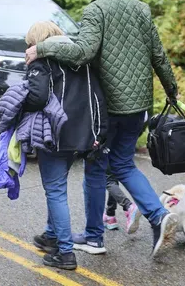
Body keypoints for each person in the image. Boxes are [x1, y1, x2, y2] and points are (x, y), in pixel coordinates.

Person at [26, 0, 179, 257]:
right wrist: (171, 90)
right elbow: (158, 55)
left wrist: (42, 48)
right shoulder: (140, 8)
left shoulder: (95, 10)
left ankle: (95, 236)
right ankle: (158, 217)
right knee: (122, 164)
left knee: (96, 171)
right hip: (140, 107)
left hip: (108, 108)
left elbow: (83, 52)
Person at [23, 21, 108, 270]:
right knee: (58, 185)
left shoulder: (42, 61)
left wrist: (20, 101)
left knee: (56, 190)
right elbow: (97, 97)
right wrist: (98, 133)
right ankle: (51, 234)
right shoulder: (80, 59)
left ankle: (65, 252)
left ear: (37, 42)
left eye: (30, 43)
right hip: (81, 134)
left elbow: (36, 97)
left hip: (55, 134)